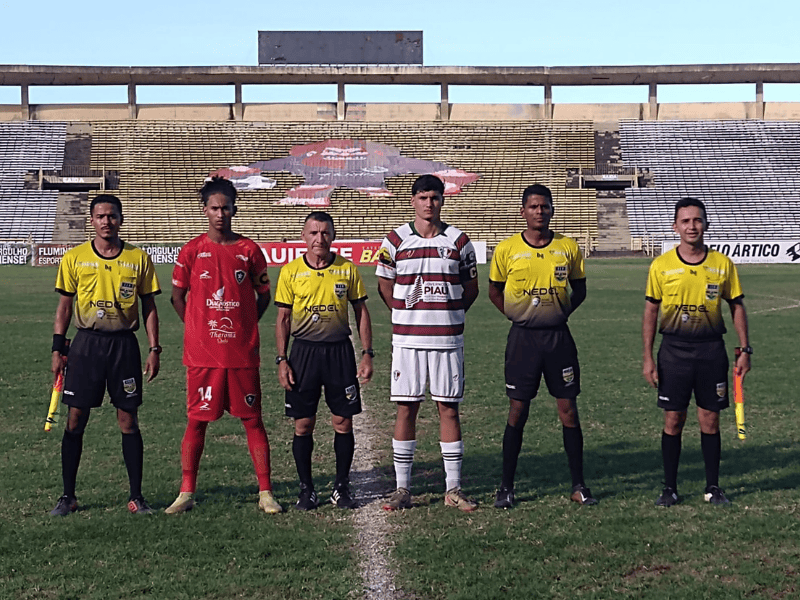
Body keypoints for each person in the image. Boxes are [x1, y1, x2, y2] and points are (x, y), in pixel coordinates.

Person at [166, 176, 281, 514]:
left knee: (253, 420)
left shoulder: (249, 251)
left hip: (241, 353)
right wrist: (197, 327)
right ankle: (186, 492)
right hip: (202, 355)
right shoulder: (191, 250)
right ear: (205, 210)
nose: (220, 213)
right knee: (196, 421)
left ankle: (266, 493)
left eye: (226, 208)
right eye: (214, 208)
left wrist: (245, 326)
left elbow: (264, 296)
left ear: (234, 209)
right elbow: (176, 297)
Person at [50, 194, 161, 516]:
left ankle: (136, 497)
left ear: (121, 219)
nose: (106, 221)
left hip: (124, 345)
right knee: (75, 419)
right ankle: (68, 496)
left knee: (128, 419)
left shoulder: (138, 259)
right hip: (86, 345)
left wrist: (154, 349)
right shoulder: (74, 258)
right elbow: (64, 307)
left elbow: (149, 307)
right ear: (92, 220)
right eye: (100, 216)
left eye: (112, 216)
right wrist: (58, 348)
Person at [488, 184, 596, 509]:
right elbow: (494, 291)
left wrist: (557, 314)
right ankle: (506, 487)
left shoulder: (568, 247)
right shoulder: (506, 250)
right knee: (517, 411)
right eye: (533, 206)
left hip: (558, 339)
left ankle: (578, 485)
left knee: (568, 411)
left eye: (544, 206)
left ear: (552, 210)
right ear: (523, 211)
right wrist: (517, 315)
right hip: (523, 340)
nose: (539, 211)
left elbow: (580, 290)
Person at [376, 174, 479, 512]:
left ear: (442, 200)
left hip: (448, 340)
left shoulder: (459, 241)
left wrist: (447, 313)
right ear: (413, 201)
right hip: (407, 341)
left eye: (434, 197)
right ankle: (402, 488)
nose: (429, 203)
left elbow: (471, 288)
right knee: (406, 407)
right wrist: (404, 313)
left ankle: (453, 488)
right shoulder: (394, 240)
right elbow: (384, 285)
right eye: (422, 197)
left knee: (448, 408)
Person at [643, 197, 751, 507]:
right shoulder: (661, 266)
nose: (692, 226)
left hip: (711, 352)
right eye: (686, 221)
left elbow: (736, 306)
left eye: (697, 220)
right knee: (673, 420)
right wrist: (648, 356)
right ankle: (670, 487)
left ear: (705, 224)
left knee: (710, 420)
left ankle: (713, 487)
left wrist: (745, 348)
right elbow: (651, 312)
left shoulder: (722, 264)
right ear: (675, 226)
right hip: (674, 352)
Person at [275, 211, 373, 510]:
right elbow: (282, 318)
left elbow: (361, 312)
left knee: (343, 421)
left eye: (325, 233)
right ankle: (307, 489)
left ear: (333, 235)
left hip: (339, 352)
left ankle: (341, 487)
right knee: (303, 424)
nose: (320, 239)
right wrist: (282, 359)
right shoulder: (291, 272)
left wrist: (367, 353)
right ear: (304, 236)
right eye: (314, 233)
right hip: (303, 353)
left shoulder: (347, 270)